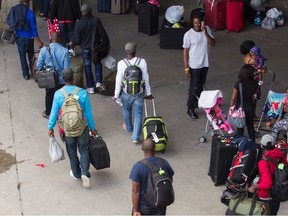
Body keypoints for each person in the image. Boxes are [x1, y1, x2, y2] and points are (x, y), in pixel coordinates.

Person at [48, 68, 97, 188]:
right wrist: (92, 127)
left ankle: (76, 173)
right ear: (73, 78)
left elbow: (53, 113)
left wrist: (50, 128)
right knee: (84, 149)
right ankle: (85, 172)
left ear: (62, 79)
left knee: (71, 151)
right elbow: (88, 113)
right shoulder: (82, 93)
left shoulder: (58, 94)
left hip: (68, 129)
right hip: (82, 127)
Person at [113, 42, 153, 144]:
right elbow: (146, 78)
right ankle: (135, 137)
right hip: (139, 93)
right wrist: (148, 93)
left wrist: (116, 95)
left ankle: (129, 128)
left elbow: (118, 80)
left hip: (126, 93)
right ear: (135, 51)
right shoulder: (142, 61)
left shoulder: (121, 63)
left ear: (126, 51)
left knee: (126, 110)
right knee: (138, 114)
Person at [70, 3, 109, 94]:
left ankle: (90, 86)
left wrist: (77, 43)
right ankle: (98, 82)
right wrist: (105, 44)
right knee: (98, 63)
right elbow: (103, 34)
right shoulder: (96, 20)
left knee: (87, 66)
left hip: (85, 49)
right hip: (96, 48)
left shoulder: (79, 24)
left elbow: (77, 39)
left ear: (82, 12)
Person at [129, 138, 174, 215]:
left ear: (142, 149)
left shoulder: (138, 167)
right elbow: (170, 181)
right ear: (155, 148)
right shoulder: (164, 163)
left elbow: (135, 191)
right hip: (160, 203)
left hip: (144, 206)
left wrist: (136, 210)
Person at [183, 13, 215, 119]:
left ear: (202, 22)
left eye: (198, 22)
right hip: (194, 65)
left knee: (200, 85)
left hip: (205, 63)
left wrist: (205, 33)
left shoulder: (207, 30)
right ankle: (190, 107)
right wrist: (187, 67)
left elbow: (212, 43)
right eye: (195, 23)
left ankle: (197, 103)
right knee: (194, 87)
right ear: (192, 23)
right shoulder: (188, 35)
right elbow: (185, 52)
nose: (196, 25)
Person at [248, 134, 288, 215]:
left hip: (266, 195)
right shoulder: (281, 155)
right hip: (278, 192)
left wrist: (254, 187)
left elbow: (267, 183)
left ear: (262, 147)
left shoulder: (263, 162)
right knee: (273, 213)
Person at [7, 0, 43, 80]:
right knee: (31, 56)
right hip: (29, 39)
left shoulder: (14, 10)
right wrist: (38, 41)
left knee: (22, 56)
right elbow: (34, 29)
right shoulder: (30, 14)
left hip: (19, 38)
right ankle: (34, 72)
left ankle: (25, 74)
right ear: (27, 2)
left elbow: (10, 21)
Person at [37, 32, 70, 119]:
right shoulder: (65, 51)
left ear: (51, 39)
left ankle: (48, 113)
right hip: (61, 79)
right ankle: (61, 114)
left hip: (49, 78)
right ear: (59, 39)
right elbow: (66, 69)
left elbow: (39, 65)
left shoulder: (44, 50)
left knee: (49, 95)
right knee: (61, 97)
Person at [230, 64, 258, 142]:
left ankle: (240, 144)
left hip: (240, 108)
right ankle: (253, 144)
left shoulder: (238, 84)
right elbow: (256, 96)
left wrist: (231, 107)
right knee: (250, 127)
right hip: (250, 108)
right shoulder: (255, 83)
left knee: (240, 127)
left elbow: (233, 98)